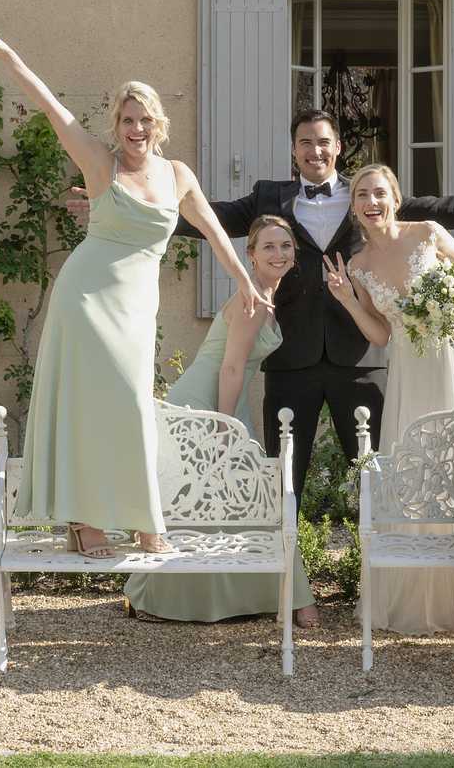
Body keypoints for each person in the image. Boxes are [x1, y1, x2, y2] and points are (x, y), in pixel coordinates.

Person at [77, 108, 454, 503]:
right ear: (293, 151)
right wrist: (119, 203)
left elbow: (441, 208)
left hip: (360, 360)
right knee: (283, 477)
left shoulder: (370, 196)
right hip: (290, 359)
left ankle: (376, 578)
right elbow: (211, 218)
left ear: (338, 147)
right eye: (305, 143)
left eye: (323, 141)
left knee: (378, 472)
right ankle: (292, 593)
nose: (315, 150)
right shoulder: (268, 195)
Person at [0, 25, 268, 558]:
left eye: (144, 119)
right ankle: (85, 518)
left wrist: (245, 278)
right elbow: (51, 109)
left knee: (132, 404)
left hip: (136, 307)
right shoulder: (99, 163)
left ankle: (140, 516)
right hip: (85, 298)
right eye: (127, 119)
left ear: (159, 124)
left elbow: (215, 232)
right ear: (117, 124)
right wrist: (13, 58)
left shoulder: (178, 175)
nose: (136, 128)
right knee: (91, 404)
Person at [322, 164, 454, 633]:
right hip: (410, 372)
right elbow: (380, 335)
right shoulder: (357, 265)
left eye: (379, 192)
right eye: (362, 195)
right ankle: (424, 596)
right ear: (354, 206)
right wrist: (347, 299)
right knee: (419, 469)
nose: (371, 201)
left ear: (395, 198)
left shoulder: (427, 232)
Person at [122, 215, 319, 626]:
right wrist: (225, 428)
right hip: (207, 405)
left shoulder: (266, 296)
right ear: (250, 254)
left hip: (225, 403)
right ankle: (293, 600)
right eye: (267, 246)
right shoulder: (252, 301)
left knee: (233, 501)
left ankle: (269, 595)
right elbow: (230, 368)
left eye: (285, 246)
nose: (278, 253)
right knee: (215, 498)